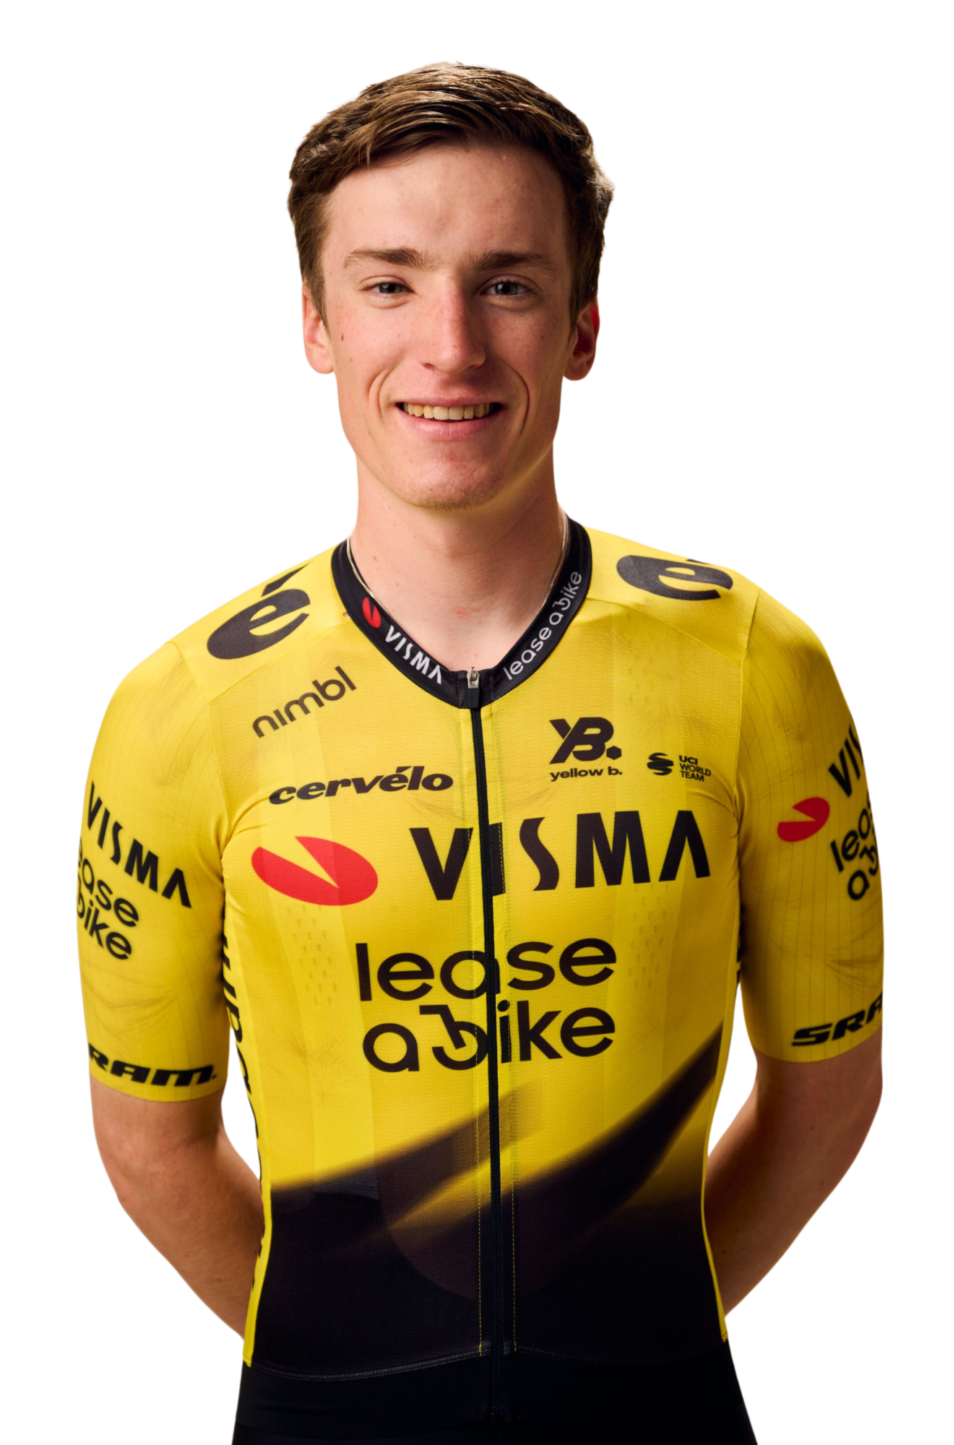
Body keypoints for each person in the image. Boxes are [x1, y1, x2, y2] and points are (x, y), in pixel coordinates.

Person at [77, 60, 885, 1445]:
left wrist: (643, 1335)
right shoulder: (176, 706)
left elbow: (827, 1087)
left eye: (505, 283)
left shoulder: (760, 661)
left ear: (582, 327)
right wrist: (345, 1365)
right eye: (389, 284)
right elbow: (150, 1135)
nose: (448, 345)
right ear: (315, 322)